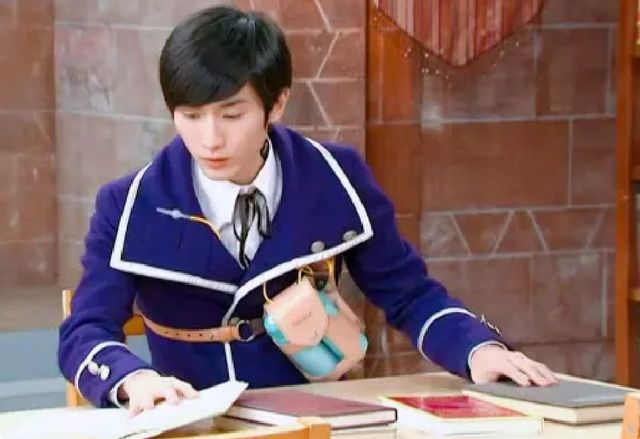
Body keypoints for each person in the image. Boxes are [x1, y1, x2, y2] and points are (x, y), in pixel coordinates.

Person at [58, 5, 556, 415]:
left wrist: (477, 349)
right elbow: (86, 329)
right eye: (190, 116)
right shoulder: (128, 204)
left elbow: (408, 292)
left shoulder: (335, 177)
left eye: (232, 114)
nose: (210, 139)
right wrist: (133, 379)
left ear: (276, 105)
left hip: (316, 418)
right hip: (195, 424)